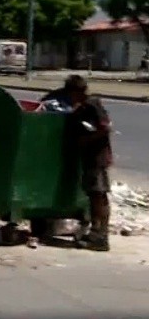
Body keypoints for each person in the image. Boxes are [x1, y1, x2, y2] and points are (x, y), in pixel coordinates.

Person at [64, 75, 113, 251]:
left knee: (98, 196)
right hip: (92, 157)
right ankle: (97, 233)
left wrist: (86, 140)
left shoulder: (93, 104)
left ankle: (100, 236)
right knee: (95, 196)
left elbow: (105, 127)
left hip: (97, 157)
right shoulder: (83, 107)